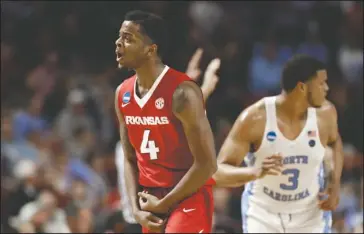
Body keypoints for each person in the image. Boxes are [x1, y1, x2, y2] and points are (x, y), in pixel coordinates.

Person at [213, 54, 344, 233]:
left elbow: (335, 143)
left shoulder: (326, 114)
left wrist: (334, 183)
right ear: (302, 87)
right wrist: (254, 172)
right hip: (264, 214)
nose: (327, 88)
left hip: (310, 215)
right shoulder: (255, 118)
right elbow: (217, 173)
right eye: (321, 83)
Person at [114, 11, 217, 233]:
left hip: (189, 195)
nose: (118, 43)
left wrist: (165, 203)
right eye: (119, 36)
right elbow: (130, 159)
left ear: (151, 49)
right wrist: (135, 209)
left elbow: (207, 164)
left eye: (128, 38)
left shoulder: (183, 91)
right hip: (150, 198)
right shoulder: (122, 93)